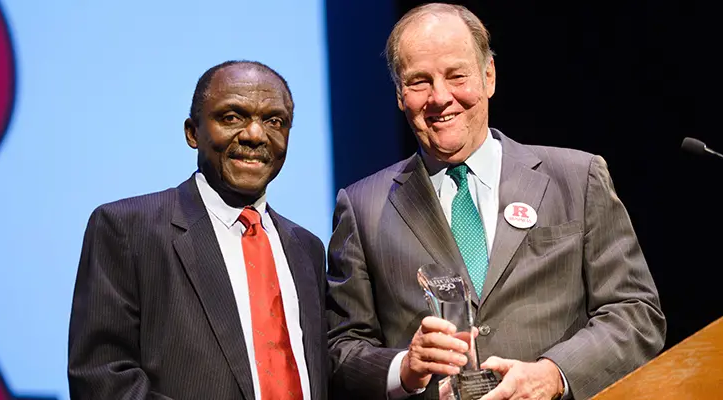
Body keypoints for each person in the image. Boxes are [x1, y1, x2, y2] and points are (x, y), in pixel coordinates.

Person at [325, 4, 666, 400]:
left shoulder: (576, 178)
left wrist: (554, 374)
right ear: (400, 95)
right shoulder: (362, 206)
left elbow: (636, 314)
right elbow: (340, 350)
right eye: (419, 81)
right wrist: (405, 368)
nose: (440, 98)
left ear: (489, 76)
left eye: (457, 76)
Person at [68, 60, 328, 400]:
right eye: (232, 117)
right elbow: (102, 379)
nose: (254, 134)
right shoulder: (126, 229)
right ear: (193, 132)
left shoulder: (307, 248)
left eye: (274, 121)